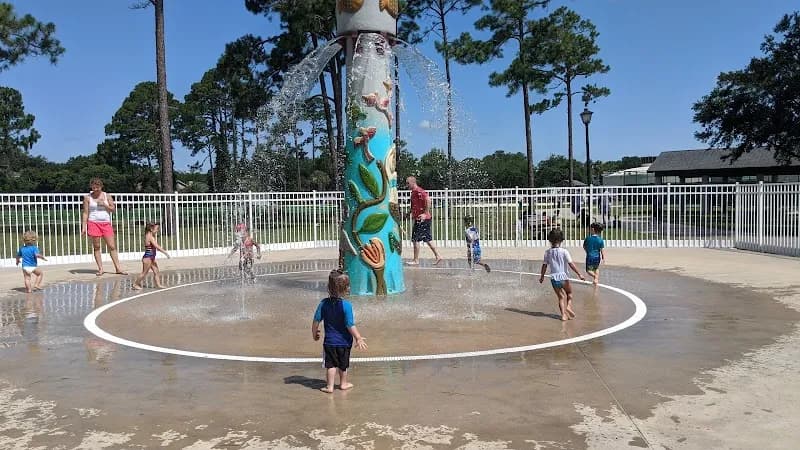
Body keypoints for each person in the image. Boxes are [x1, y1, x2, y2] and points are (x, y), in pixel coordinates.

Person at [312, 269, 368, 394]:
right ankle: (343, 383)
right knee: (343, 365)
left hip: (330, 342)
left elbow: (316, 321)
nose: (349, 288)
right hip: (344, 342)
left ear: (329, 287)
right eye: (348, 286)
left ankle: (330, 386)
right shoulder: (346, 305)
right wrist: (358, 337)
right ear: (344, 289)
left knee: (330, 365)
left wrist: (314, 333)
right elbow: (349, 324)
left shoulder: (323, 303)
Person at [81, 177, 127, 276]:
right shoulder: (87, 197)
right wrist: (84, 226)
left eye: (97, 187)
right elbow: (85, 212)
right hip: (93, 222)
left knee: (112, 246)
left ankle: (118, 268)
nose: (96, 189)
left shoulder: (107, 196)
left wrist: (104, 204)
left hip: (105, 223)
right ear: (91, 186)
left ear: (101, 187)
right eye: (94, 187)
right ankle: (100, 269)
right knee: (97, 246)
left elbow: (112, 209)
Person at [539, 228, 585, 321]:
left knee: (560, 297)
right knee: (569, 293)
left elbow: (544, 266)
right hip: (564, 277)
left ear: (550, 240)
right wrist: (579, 274)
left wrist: (542, 276)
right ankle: (568, 307)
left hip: (554, 278)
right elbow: (571, 264)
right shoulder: (564, 251)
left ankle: (563, 315)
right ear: (561, 240)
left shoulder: (547, 252)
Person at [405, 176, 442, 266]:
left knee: (416, 239)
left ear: (413, 183)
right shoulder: (413, 192)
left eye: (408, 183)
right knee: (427, 239)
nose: (406, 185)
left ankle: (416, 260)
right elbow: (413, 204)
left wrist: (425, 213)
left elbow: (428, 200)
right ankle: (438, 256)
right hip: (421, 219)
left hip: (422, 219)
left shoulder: (419, 191)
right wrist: (409, 213)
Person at [132, 222, 170, 290]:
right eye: (156, 229)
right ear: (151, 229)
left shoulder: (149, 235)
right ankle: (135, 284)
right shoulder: (150, 237)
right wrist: (165, 253)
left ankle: (158, 285)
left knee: (156, 271)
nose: (157, 231)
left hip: (151, 258)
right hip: (148, 258)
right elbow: (157, 247)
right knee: (144, 273)